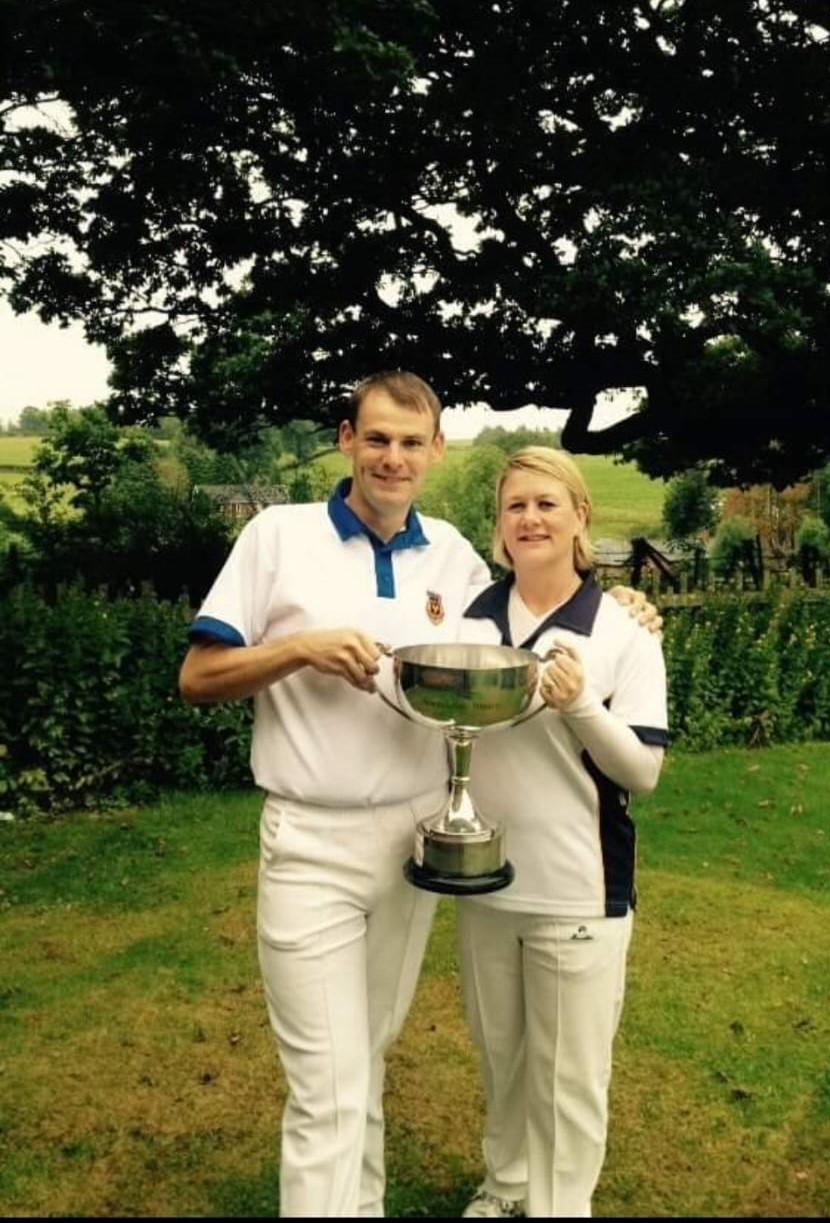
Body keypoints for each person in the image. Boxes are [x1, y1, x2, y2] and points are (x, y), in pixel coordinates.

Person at [178, 373, 659, 1219]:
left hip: (416, 842)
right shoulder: (276, 536)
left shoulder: (452, 557)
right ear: (345, 440)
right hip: (311, 837)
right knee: (327, 1082)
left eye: (410, 442)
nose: (392, 457)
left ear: (436, 451)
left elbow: (526, 604)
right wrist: (298, 650)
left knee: (362, 1057)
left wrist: (621, 604)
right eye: (376, 438)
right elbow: (199, 675)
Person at [456, 447, 669, 1219]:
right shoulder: (470, 617)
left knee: (568, 1077)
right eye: (515, 505)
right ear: (499, 525)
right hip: (482, 878)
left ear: (581, 515)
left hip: (579, 888)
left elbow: (641, 772)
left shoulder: (623, 629)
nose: (530, 518)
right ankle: (504, 1185)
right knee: (502, 1059)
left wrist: (582, 705)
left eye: (547, 503)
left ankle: (558, 1205)